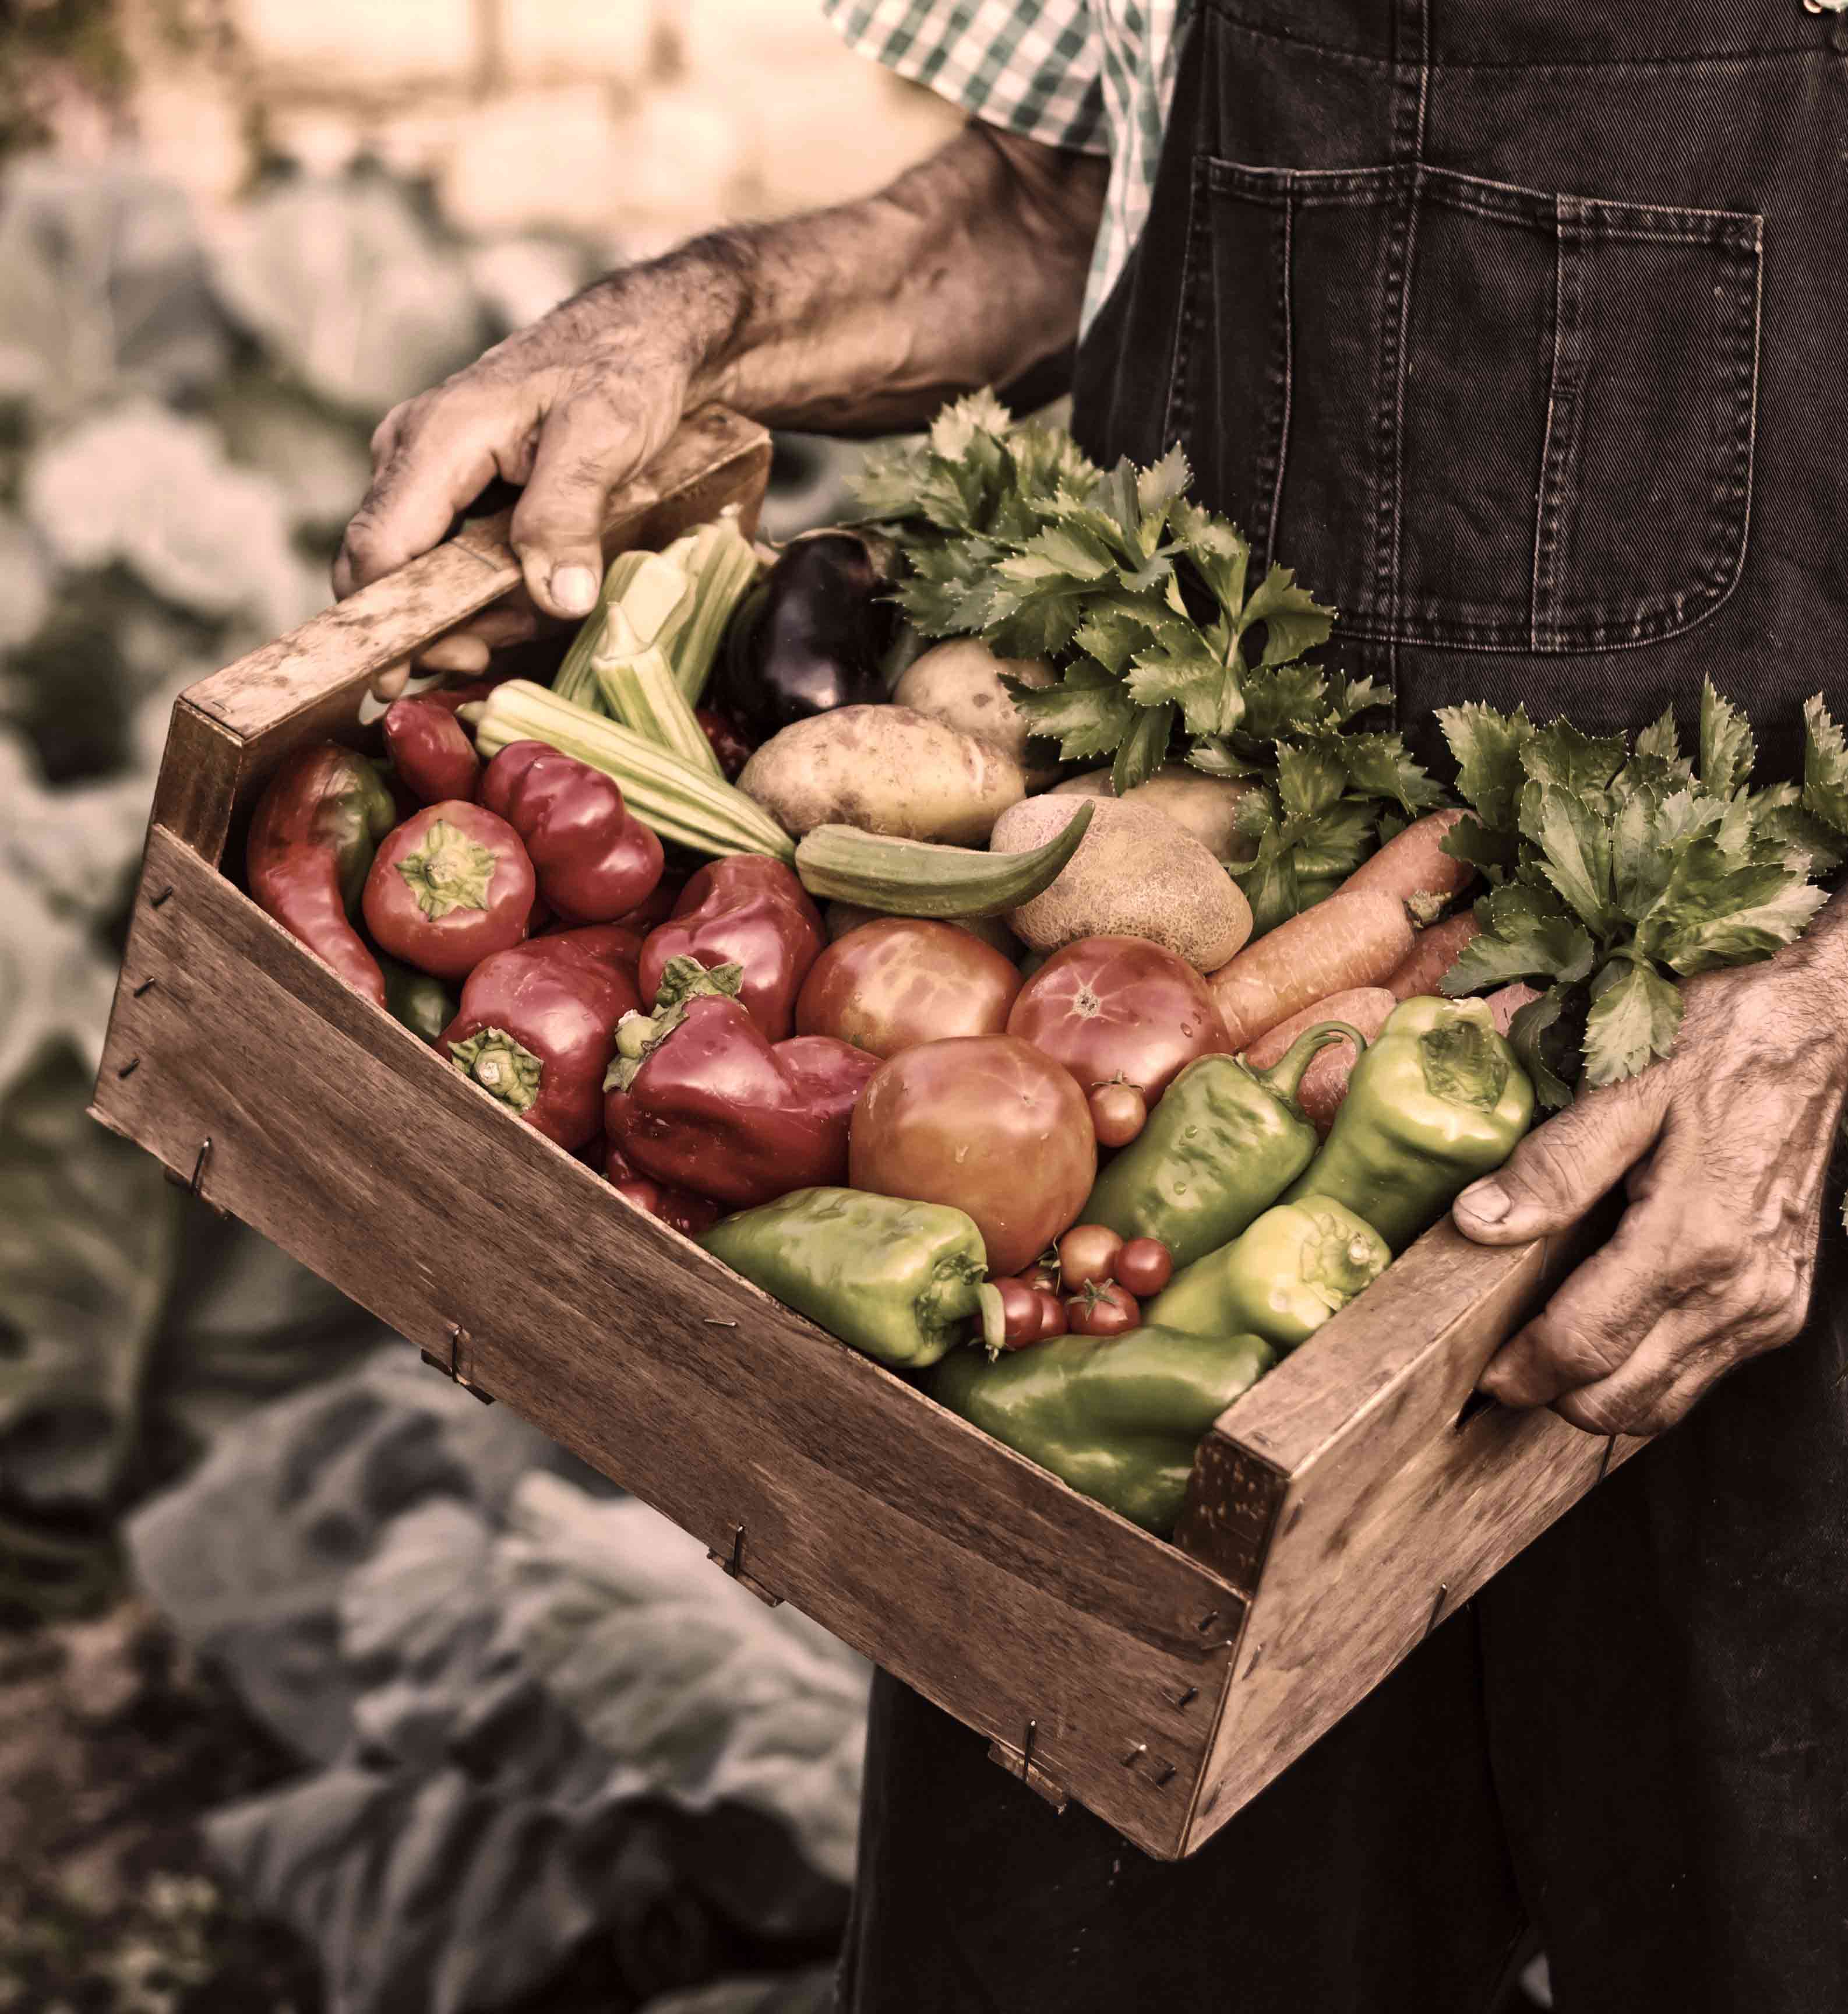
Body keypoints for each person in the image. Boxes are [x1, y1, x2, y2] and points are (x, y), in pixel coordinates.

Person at [336, 2, 1848, 2007]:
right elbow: (1050, 196)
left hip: (1755, 1156)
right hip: (1181, 1158)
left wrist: (1826, 999)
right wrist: (679, 323)